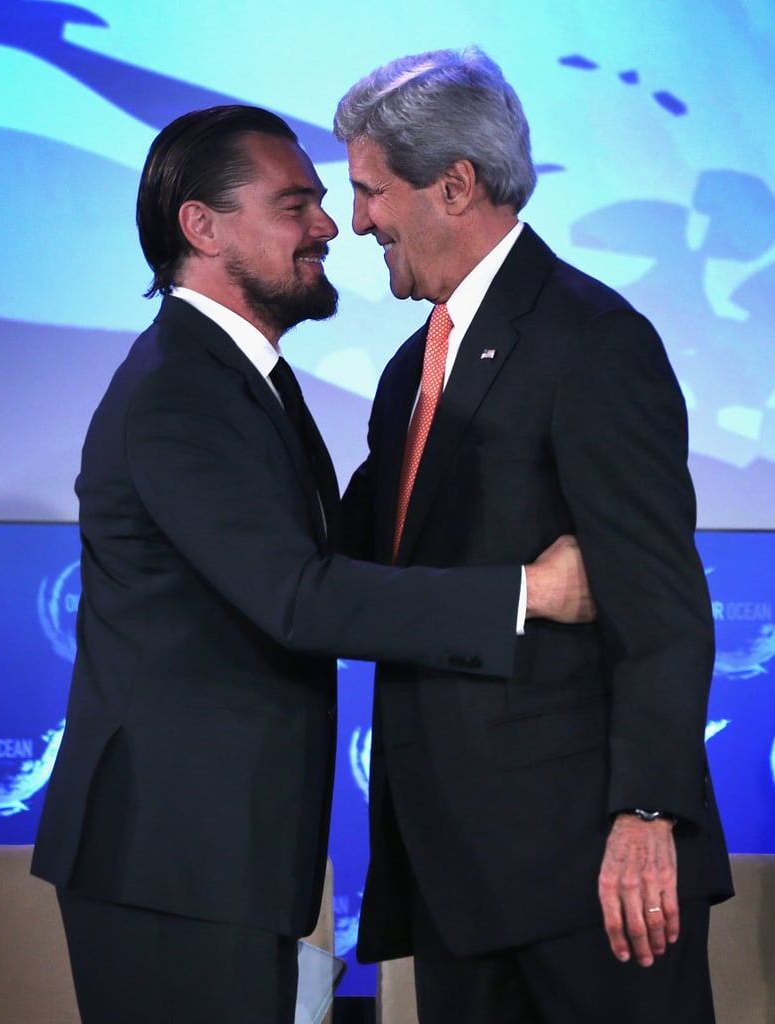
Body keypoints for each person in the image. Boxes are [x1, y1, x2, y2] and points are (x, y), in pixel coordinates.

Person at [30, 104, 593, 1024]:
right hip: (168, 861)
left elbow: (333, 548)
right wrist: (533, 593)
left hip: (217, 859)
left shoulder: (241, 376)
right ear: (201, 227)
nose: (331, 226)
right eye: (296, 206)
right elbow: (301, 597)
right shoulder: (180, 392)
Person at [334, 48, 733, 1024]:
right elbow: (357, 564)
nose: (357, 221)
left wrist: (645, 813)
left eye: (371, 190)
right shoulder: (406, 371)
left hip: (591, 881)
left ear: (455, 185)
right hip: (457, 878)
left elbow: (663, 606)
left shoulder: (592, 342)